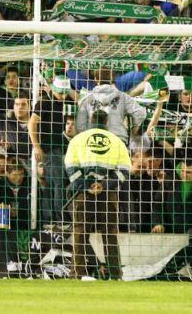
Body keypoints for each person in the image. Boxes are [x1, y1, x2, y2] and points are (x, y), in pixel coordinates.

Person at [64, 107, 131, 280]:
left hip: (83, 195)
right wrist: (104, 185)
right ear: (107, 122)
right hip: (107, 196)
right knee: (110, 235)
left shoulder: (78, 140)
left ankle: (78, 274)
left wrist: (86, 184)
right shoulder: (116, 141)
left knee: (79, 233)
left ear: (89, 121)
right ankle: (115, 274)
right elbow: (124, 170)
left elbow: (70, 167)